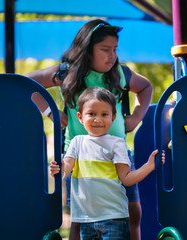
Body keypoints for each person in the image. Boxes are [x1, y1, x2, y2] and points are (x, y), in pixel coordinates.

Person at [26, 19, 153, 240]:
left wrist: (136, 117)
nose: (112, 55)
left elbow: (146, 87)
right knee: (79, 218)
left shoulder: (120, 74)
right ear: (86, 50)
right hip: (80, 158)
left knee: (132, 210)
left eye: (114, 49)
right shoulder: (67, 73)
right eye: (105, 50)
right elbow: (28, 83)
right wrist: (52, 113)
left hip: (117, 154)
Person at [49, 87, 160, 240]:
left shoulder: (116, 144)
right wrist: (58, 169)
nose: (98, 119)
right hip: (85, 218)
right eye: (91, 114)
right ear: (80, 117)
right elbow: (66, 166)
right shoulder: (77, 142)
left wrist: (149, 166)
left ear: (113, 118)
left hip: (113, 217)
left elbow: (126, 178)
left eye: (104, 114)